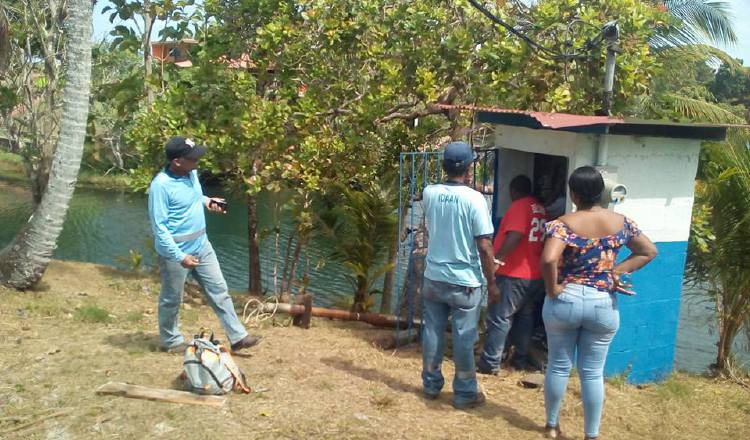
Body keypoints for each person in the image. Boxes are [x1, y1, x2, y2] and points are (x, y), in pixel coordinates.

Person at [540, 166, 657, 440]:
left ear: (573, 193)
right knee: (592, 373)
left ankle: (552, 427)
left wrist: (552, 288)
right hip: (602, 302)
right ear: (601, 193)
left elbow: (548, 259)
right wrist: (616, 272)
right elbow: (648, 251)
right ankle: (591, 434)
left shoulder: (562, 224)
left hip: (565, 300)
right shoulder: (622, 222)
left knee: (558, 365)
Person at [148, 136, 261, 353]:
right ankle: (170, 341)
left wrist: (208, 202)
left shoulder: (191, 174)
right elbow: (159, 228)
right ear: (178, 161)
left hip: (202, 244)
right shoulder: (160, 186)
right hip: (176, 251)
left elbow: (195, 197)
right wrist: (180, 256)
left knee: (219, 289)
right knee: (172, 299)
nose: (197, 161)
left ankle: (238, 337)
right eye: (192, 158)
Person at [420, 141, 500, 410]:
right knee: (464, 338)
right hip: (464, 281)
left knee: (432, 331)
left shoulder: (429, 192)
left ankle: (431, 384)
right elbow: (484, 246)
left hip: (434, 276)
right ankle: (465, 393)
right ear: (468, 168)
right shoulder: (475, 199)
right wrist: (492, 282)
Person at [477, 175, 546, 374]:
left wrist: (497, 260)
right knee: (525, 317)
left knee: (500, 317)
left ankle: (490, 363)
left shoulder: (519, 206)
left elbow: (515, 234)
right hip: (535, 274)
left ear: (513, 191)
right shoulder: (540, 208)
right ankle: (519, 360)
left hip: (514, 273)